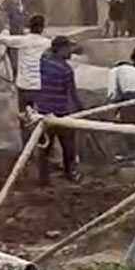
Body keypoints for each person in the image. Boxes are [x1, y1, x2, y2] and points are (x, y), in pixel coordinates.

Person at [36, 37, 82, 184]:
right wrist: (81, 109)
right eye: (68, 48)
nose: (70, 52)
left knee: (45, 146)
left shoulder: (44, 62)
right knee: (68, 145)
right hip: (60, 112)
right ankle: (70, 173)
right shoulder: (66, 70)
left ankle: (43, 178)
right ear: (61, 49)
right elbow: (71, 95)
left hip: (43, 111)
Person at [0, 15, 52, 120]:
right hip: (39, 84)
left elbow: (2, 39)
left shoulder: (22, 40)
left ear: (29, 26)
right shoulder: (47, 43)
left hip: (23, 84)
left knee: (23, 115)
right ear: (42, 28)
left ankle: (25, 133)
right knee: (39, 115)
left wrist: (5, 30)